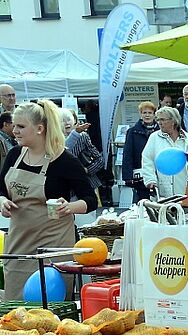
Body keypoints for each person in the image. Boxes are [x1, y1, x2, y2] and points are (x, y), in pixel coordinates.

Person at [0, 100, 97, 299]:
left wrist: (69, 207)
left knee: (50, 304)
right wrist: (2, 201)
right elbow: (1, 188)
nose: (15, 131)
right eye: (14, 125)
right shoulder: (14, 155)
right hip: (19, 243)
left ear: (39, 129)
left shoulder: (65, 161)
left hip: (53, 246)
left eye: (21, 126)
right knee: (16, 307)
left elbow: (90, 199)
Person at [140, 106, 188, 199]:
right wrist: (150, 180)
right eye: (158, 120)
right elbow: (147, 159)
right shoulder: (154, 138)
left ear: (173, 121)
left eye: (162, 119)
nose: (159, 123)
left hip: (186, 189)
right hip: (162, 190)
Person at [121, 101, 160, 203]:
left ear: (154, 114)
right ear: (140, 114)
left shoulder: (160, 131)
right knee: (143, 202)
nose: (147, 115)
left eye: (150, 113)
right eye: (144, 113)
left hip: (159, 172)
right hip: (140, 174)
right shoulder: (132, 132)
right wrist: (128, 176)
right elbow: (127, 154)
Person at [61, 109, 105, 198]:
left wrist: (87, 170)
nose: (67, 123)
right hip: (64, 187)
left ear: (75, 121)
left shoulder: (83, 136)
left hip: (86, 183)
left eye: (69, 119)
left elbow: (100, 160)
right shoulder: (54, 138)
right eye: (63, 120)